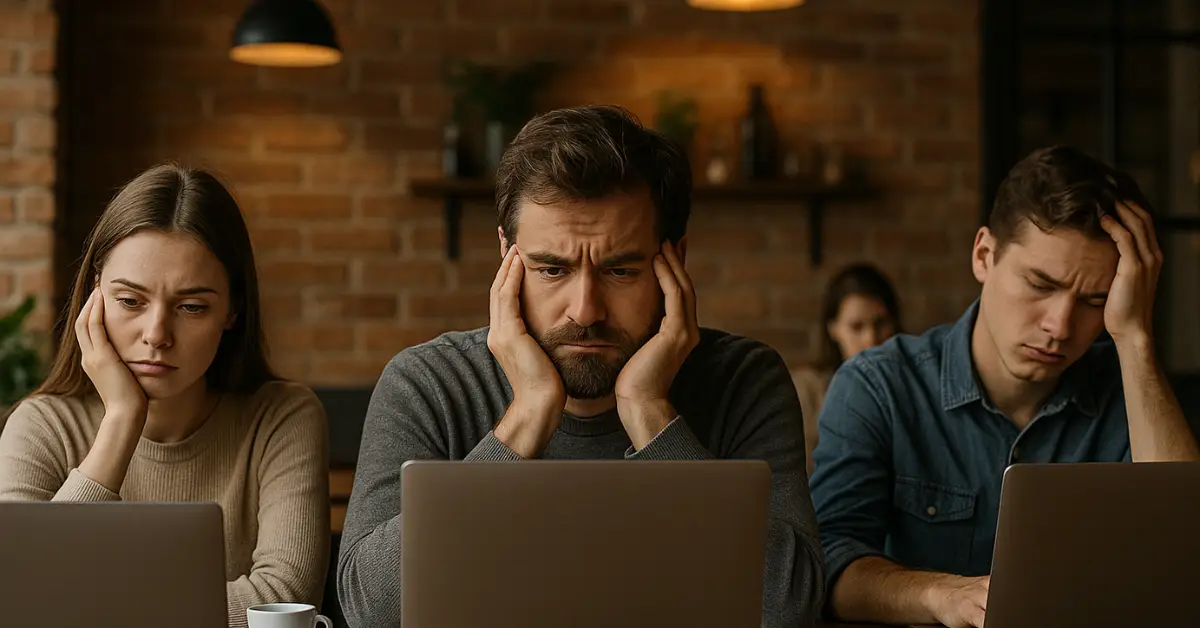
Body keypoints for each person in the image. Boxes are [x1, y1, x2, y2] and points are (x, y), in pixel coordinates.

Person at [336, 105, 824, 628]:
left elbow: (788, 608)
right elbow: (372, 611)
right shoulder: (427, 384)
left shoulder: (745, 380)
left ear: (675, 260)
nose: (586, 310)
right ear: (507, 256)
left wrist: (651, 414)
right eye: (552, 269)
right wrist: (524, 419)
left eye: (620, 270)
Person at [810, 145, 1200, 628]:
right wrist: (940, 594)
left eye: (1094, 300)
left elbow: (1186, 555)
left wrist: (1136, 338)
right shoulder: (880, 385)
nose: (1059, 325)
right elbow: (825, 567)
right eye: (1040, 284)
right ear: (984, 256)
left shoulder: (1133, 392)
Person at [0, 164, 331, 628]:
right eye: (131, 301)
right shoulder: (40, 426)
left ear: (232, 309)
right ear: (95, 297)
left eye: (191, 307)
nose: (156, 334)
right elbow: (24, 600)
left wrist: (95, 601)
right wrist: (121, 419)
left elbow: (281, 602)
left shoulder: (281, 417)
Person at [791, 263, 900, 474]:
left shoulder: (915, 388)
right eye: (857, 327)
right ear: (833, 329)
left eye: (881, 323)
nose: (871, 339)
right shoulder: (808, 391)